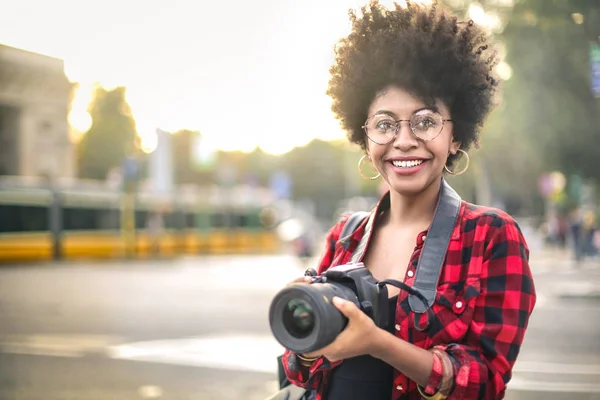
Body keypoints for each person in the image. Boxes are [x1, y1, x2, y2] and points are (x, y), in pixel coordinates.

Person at [280, 1, 536, 399]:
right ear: (365, 137)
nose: (403, 139)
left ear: (455, 136)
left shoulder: (491, 236)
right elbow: (299, 372)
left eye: (426, 121)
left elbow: (486, 382)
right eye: (384, 124)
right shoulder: (344, 235)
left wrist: (378, 344)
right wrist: (305, 325)